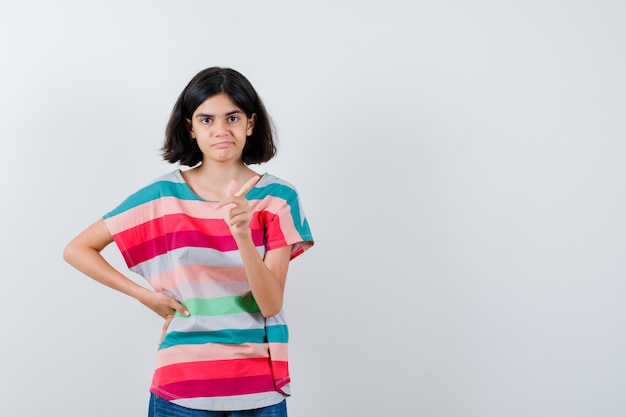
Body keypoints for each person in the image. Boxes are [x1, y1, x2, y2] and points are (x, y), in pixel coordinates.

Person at [63, 67, 314, 417]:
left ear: (251, 124)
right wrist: (146, 296)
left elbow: (270, 304)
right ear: (190, 128)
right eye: (206, 119)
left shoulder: (279, 198)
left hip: (258, 388)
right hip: (181, 387)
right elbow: (77, 249)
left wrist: (241, 233)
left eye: (232, 117)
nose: (221, 130)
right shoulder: (162, 196)